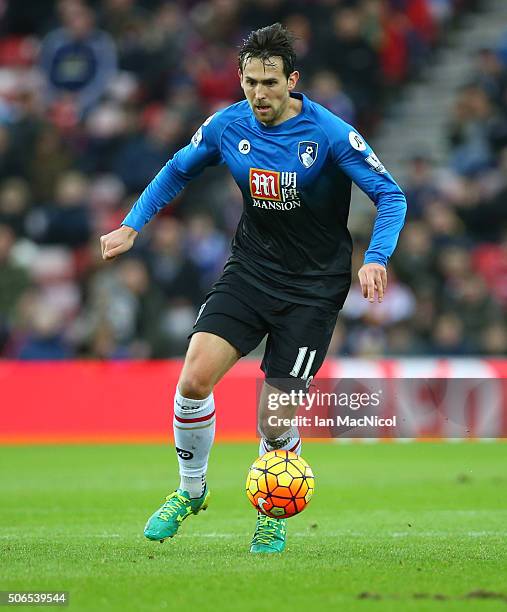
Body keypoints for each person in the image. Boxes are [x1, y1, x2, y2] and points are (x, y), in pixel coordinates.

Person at [99, 23, 407, 553]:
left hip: (314, 288)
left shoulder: (330, 134)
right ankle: (190, 493)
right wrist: (132, 224)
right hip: (251, 271)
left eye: (269, 82)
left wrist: (376, 258)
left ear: (292, 79)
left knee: (274, 413)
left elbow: (390, 194)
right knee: (193, 379)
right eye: (249, 82)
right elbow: (177, 170)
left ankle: (273, 511)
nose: (259, 94)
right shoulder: (228, 125)